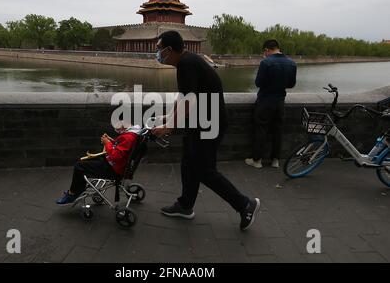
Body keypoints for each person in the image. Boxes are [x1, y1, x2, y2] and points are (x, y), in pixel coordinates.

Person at [152, 30, 260, 231]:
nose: (157, 53)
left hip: (209, 125)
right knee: (188, 163)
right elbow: (184, 96)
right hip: (200, 123)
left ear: (169, 49)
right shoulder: (187, 62)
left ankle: (245, 204)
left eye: (159, 49)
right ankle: (185, 205)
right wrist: (169, 116)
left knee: (204, 170)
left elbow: (189, 100)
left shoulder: (187, 64)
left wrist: (169, 127)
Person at [56, 121, 140, 205]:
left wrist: (107, 143)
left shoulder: (128, 138)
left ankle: (72, 194)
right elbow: (122, 149)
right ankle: (76, 190)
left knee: (79, 166)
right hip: (114, 165)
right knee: (83, 162)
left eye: (118, 129)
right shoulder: (132, 135)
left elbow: (116, 156)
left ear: (123, 127)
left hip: (112, 169)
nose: (117, 131)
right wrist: (111, 141)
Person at [245, 39, 297, 169]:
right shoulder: (292, 63)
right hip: (280, 101)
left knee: (261, 129)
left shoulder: (266, 62)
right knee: (278, 130)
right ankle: (275, 160)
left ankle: (257, 160)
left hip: (265, 100)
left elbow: (258, 83)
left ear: (267, 50)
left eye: (265, 51)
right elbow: (291, 84)